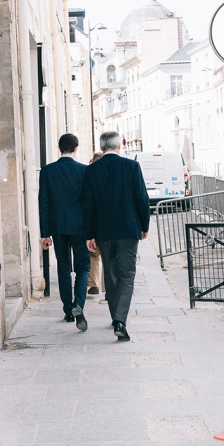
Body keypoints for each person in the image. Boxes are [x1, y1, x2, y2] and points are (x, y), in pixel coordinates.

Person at [83, 131, 150, 342]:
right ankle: (120, 320)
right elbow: (141, 198)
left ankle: (115, 317)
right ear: (119, 146)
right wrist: (144, 225)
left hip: (103, 231)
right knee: (127, 275)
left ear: (102, 147)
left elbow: (89, 205)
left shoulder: (92, 170)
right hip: (128, 229)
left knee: (110, 274)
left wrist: (89, 234)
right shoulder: (131, 167)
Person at [38, 134, 90, 331]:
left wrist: (45, 233)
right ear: (76, 149)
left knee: (63, 267)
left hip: (58, 227)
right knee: (83, 267)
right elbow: (88, 203)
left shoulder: (48, 171)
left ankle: (68, 309)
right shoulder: (85, 170)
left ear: (59, 147)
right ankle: (79, 304)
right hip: (81, 227)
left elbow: (44, 203)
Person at [87, 151, 106, 295]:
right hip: (106, 223)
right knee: (107, 257)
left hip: (93, 222)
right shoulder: (107, 175)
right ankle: (106, 287)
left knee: (93, 254)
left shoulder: (89, 174)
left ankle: (93, 284)